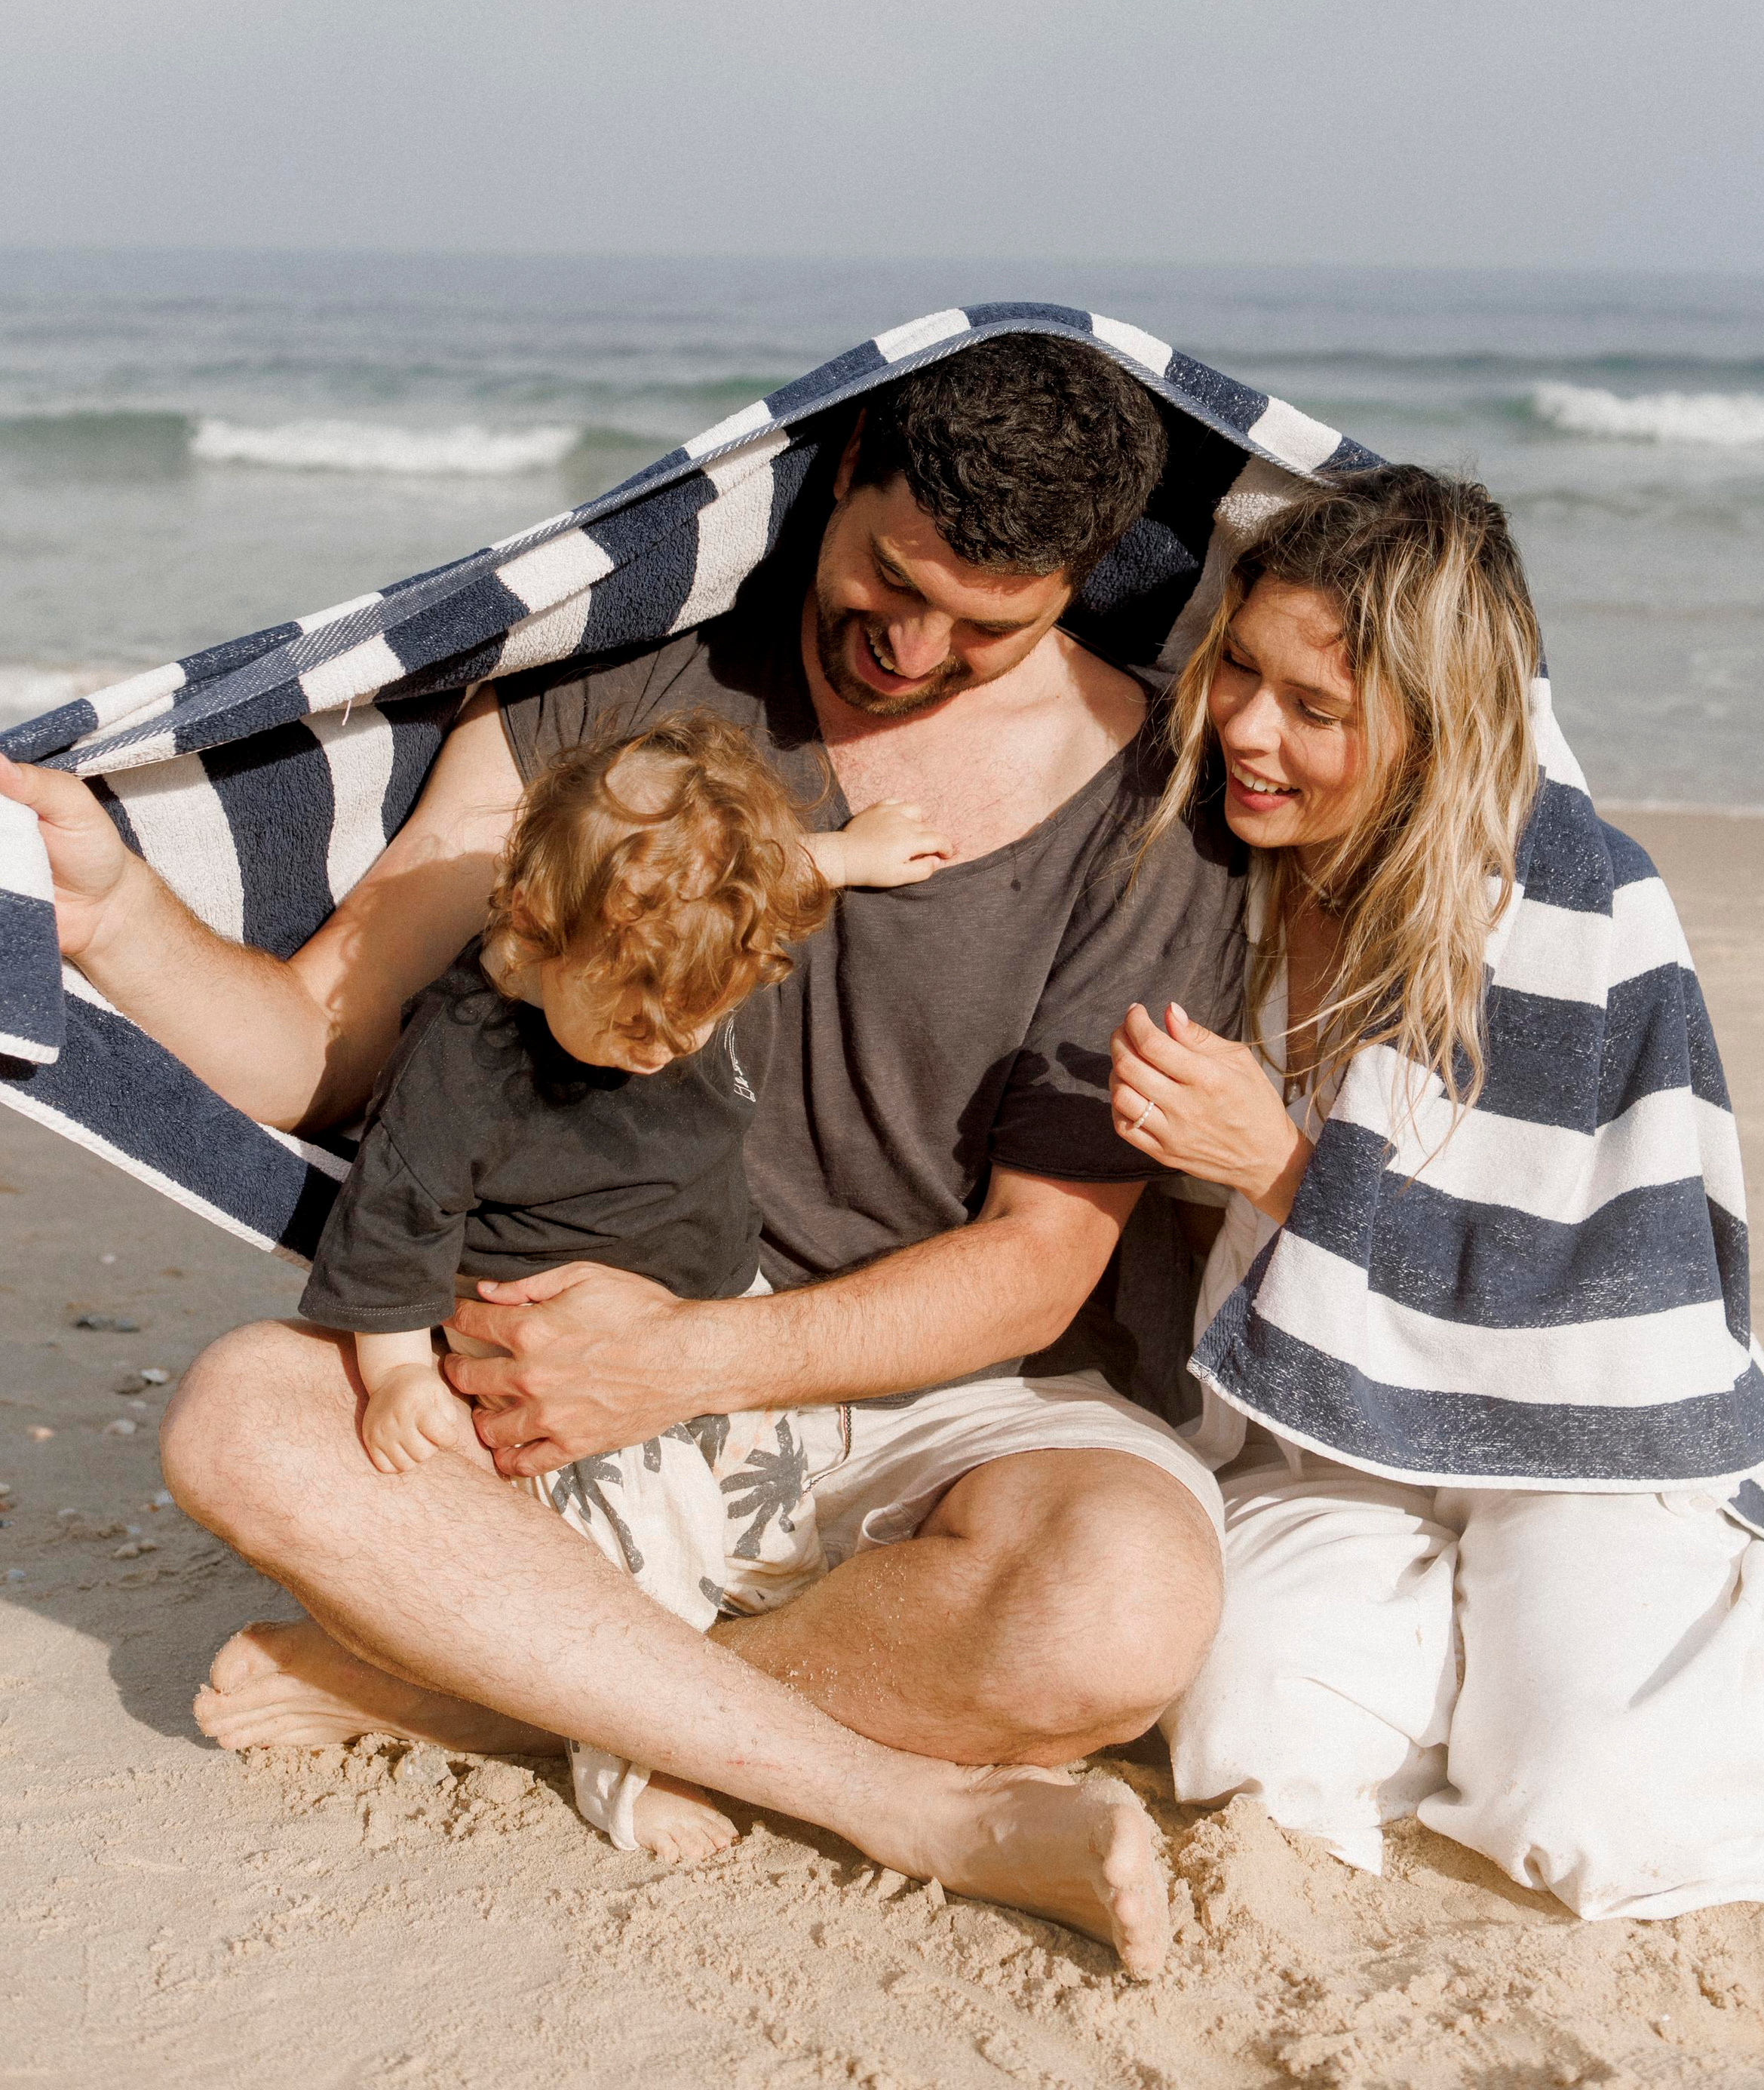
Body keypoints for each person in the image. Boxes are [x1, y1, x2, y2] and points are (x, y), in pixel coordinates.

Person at [2, 333, 1244, 1973]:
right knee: (245, 1421)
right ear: (845, 465)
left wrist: (689, 1361)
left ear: (1078, 583)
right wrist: (114, 919)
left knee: (1121, 1611)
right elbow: (325, 1044)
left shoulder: (1157, 814)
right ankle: (895, 1798)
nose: (907, 645)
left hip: (923, 1394)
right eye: (888, 577)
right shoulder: (624, 690)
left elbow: (1038, 1265)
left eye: (982, 624)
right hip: (552, 1362)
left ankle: (479, 1685)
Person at [1103, 462, 1764, 1920]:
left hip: (1573, 1433)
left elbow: (1600, 1284)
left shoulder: (1579, 903)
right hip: (1323, 1418)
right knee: (1249, 1732)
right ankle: (1489, 1646)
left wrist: (1276, 1163)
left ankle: (1633, 1634)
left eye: (1317, 708)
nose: (1251, 730)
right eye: (1242, 672)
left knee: (1602, 1811)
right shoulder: (1224, 871)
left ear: (1438, 722)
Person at [309, 711, 943, 1859]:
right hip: (556, 1358)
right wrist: (396, 1372)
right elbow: (396, 1218)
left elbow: (761, 879)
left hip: (713, 1303)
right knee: (637, 1557)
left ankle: (668, 1676)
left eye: (701, 1016)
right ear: (534, 931)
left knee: (776, 1530)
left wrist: (849, 857)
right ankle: (630, 1766)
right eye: (637, 1020)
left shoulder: (692, 939)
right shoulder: (468, 1055)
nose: (669, 1046)